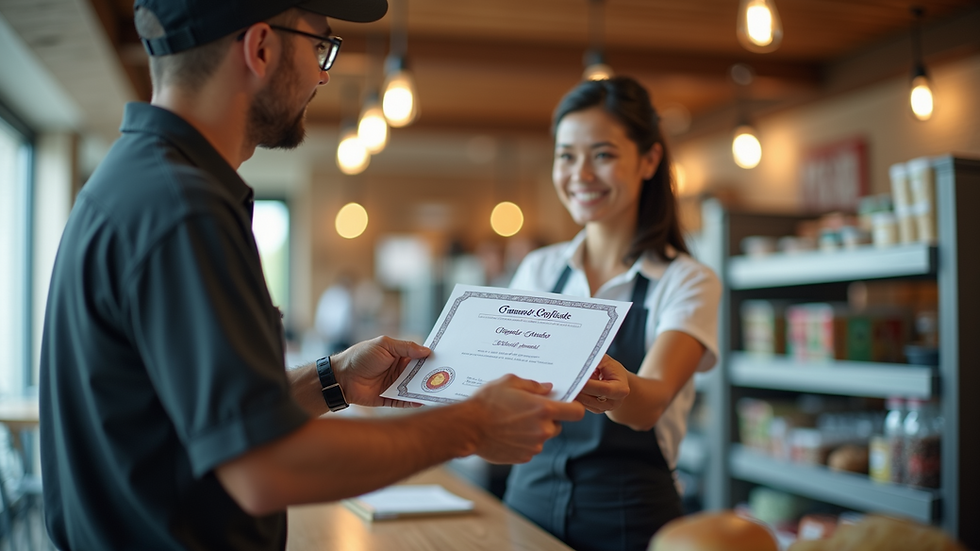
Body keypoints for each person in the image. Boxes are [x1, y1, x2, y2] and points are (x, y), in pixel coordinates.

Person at [37, 1, 590, 549]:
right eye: (319, 46)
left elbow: (202, 420)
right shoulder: (183, 209)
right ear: (260, 48)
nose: (325, 73)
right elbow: (263, 469)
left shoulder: (139, 182)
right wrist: (470, 424)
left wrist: (338, 378)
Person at [503, 76, 722, 551]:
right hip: (527, 504)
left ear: (648, 160)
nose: (580, 174)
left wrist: (612, 381)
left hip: (629, 517)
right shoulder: (540, 270)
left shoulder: (687, 280)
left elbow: (649, 404)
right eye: (566, 155)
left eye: (602, 155)